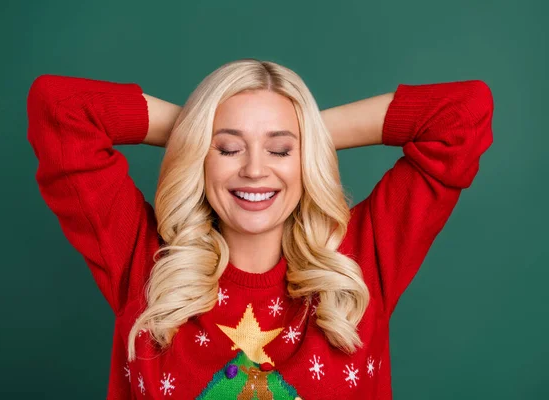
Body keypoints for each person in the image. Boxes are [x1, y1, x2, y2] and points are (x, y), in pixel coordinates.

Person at [26, 58, 494, 399]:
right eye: (228, 149)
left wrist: (305, 128)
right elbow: (60, 108)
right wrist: (197, 128)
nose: (254, 169)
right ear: (200, 157)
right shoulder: (144, 259)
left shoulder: (359, 258)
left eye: (280, 150)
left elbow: (464, 113)